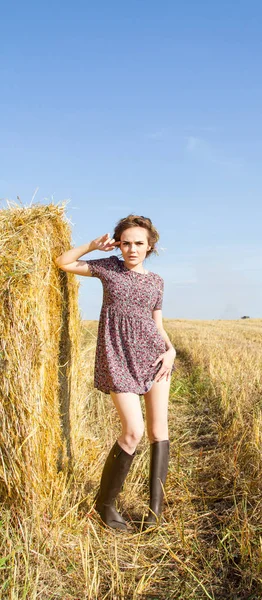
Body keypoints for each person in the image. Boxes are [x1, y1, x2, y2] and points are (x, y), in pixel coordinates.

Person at [55, 214, 176, 532]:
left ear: (149, 246)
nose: (132, 249)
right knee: (133, 432)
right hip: (117, 358)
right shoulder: (108, 267)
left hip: (154, 358)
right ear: (119, 244)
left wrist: (171, 350)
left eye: (139, 243)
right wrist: (91, 246)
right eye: (126, 243)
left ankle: (154, 512)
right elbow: (63, 262)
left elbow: (157, 325)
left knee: (158, 431)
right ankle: (105, 505)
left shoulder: (156, 281)